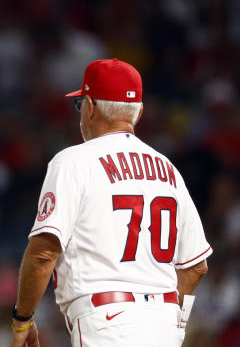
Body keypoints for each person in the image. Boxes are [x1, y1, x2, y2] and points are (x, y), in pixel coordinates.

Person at [11, 59, 212, 347]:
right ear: (138, 112)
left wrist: (23, 320)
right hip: (166, 324)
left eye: (80, 105)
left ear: (90, 107)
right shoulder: (168, 169)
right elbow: (196, 267)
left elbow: (43, 254)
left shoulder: (73, 161)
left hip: (105, 322)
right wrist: (169, 320)